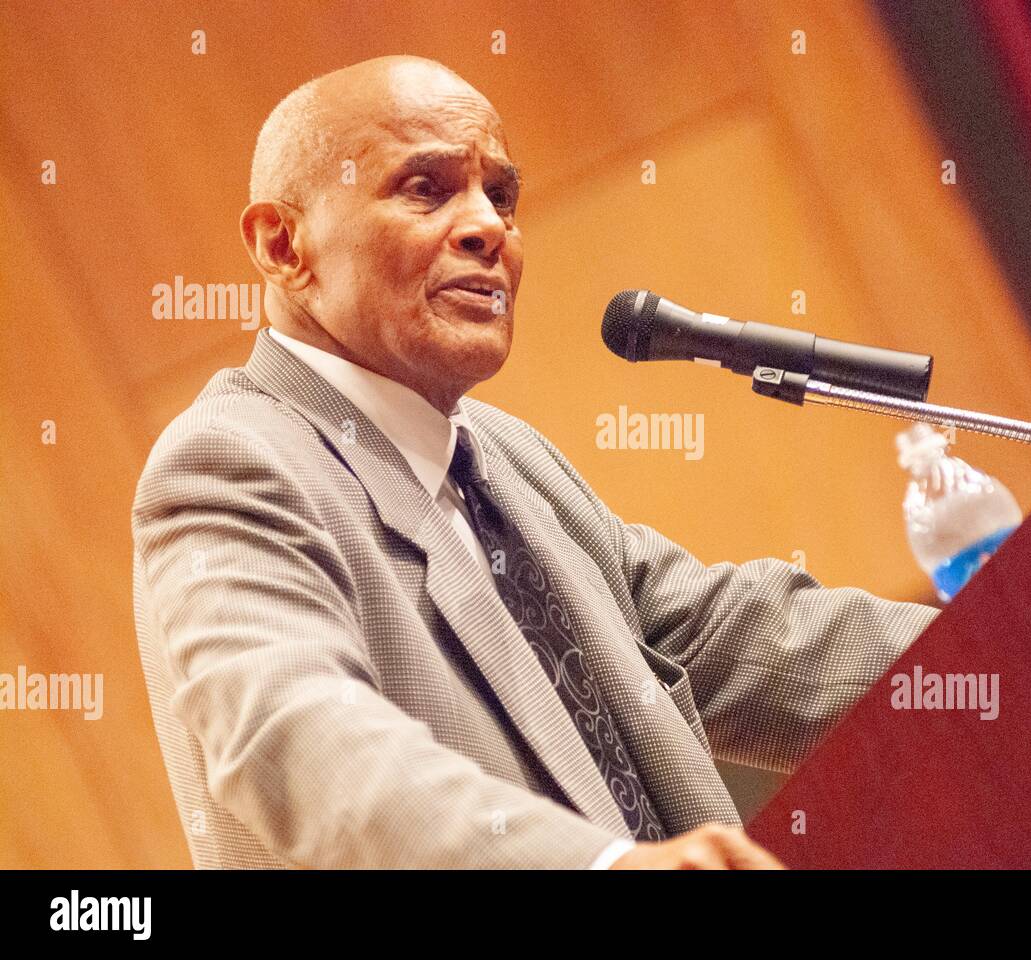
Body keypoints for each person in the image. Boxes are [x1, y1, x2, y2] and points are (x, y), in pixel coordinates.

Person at [132, 55, 940, 869]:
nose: (489, 227)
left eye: (503, 196)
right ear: (283, 245)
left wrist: (1001, 661)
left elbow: (733, 636)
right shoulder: (233, 462)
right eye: (426, 188)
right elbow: (295, 737)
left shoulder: (504, 455)